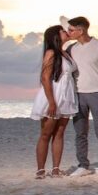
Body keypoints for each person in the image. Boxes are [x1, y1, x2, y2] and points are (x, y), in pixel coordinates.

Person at [63, 16, 98, 177]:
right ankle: (83, 166)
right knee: (80, 132)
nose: (69, 32)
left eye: (71, 30)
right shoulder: (71, 49)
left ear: (81, 30)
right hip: (77, 94)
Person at [30, 25, 79, 178]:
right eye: (63, 31)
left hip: (67, 96)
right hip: (53, 95)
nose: (66, 32)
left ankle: (56, 169)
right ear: (56, 36)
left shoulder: (66, 53)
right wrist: (51, 102)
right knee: (46, 134)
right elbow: (45, 78)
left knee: (59, 133)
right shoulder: (51, 53)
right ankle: (40, 170)